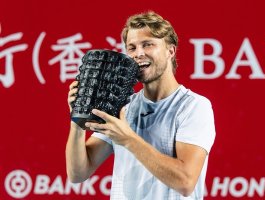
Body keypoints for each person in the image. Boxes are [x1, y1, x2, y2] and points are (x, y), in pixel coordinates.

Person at [66, 11, 216, 200]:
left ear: (171, 51)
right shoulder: (122, 107)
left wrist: (128, 139)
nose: (138, 54)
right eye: (132, 47)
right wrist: (78, 120)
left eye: (148, 44)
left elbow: (185, 182)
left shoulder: (194, 106)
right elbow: (78, 173)